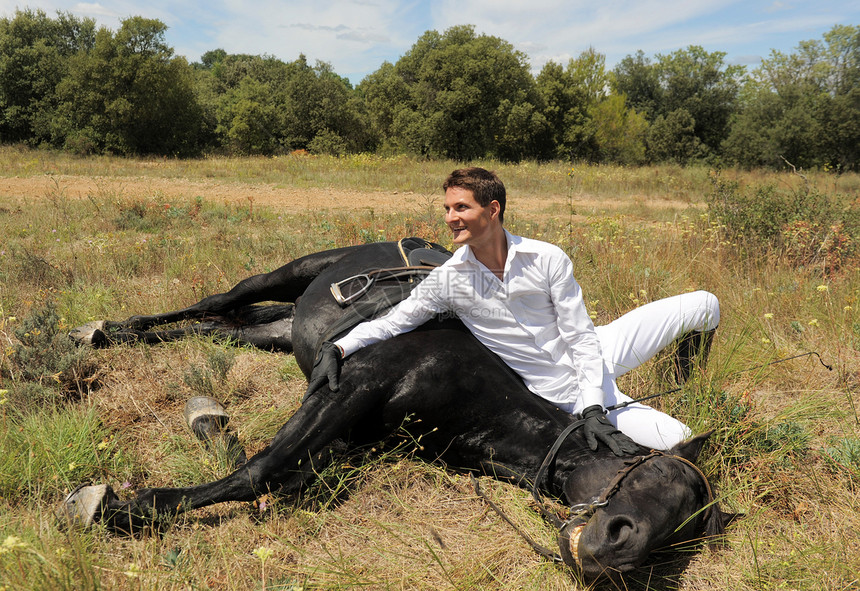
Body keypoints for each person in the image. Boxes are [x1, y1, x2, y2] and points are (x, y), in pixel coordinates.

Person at [306, 167, 719, 453]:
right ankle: (649, 411)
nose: (450, 218)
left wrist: (596, 403)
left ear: (493, 209)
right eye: (447, 209)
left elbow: (579, 334)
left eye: (461, 208)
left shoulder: (547, 258)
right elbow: (395, 321)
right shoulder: (449, 280)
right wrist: (339, 347)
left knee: (705, 304)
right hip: (562, 391)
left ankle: (686, 379)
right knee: (683, 437)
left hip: (599, 348)